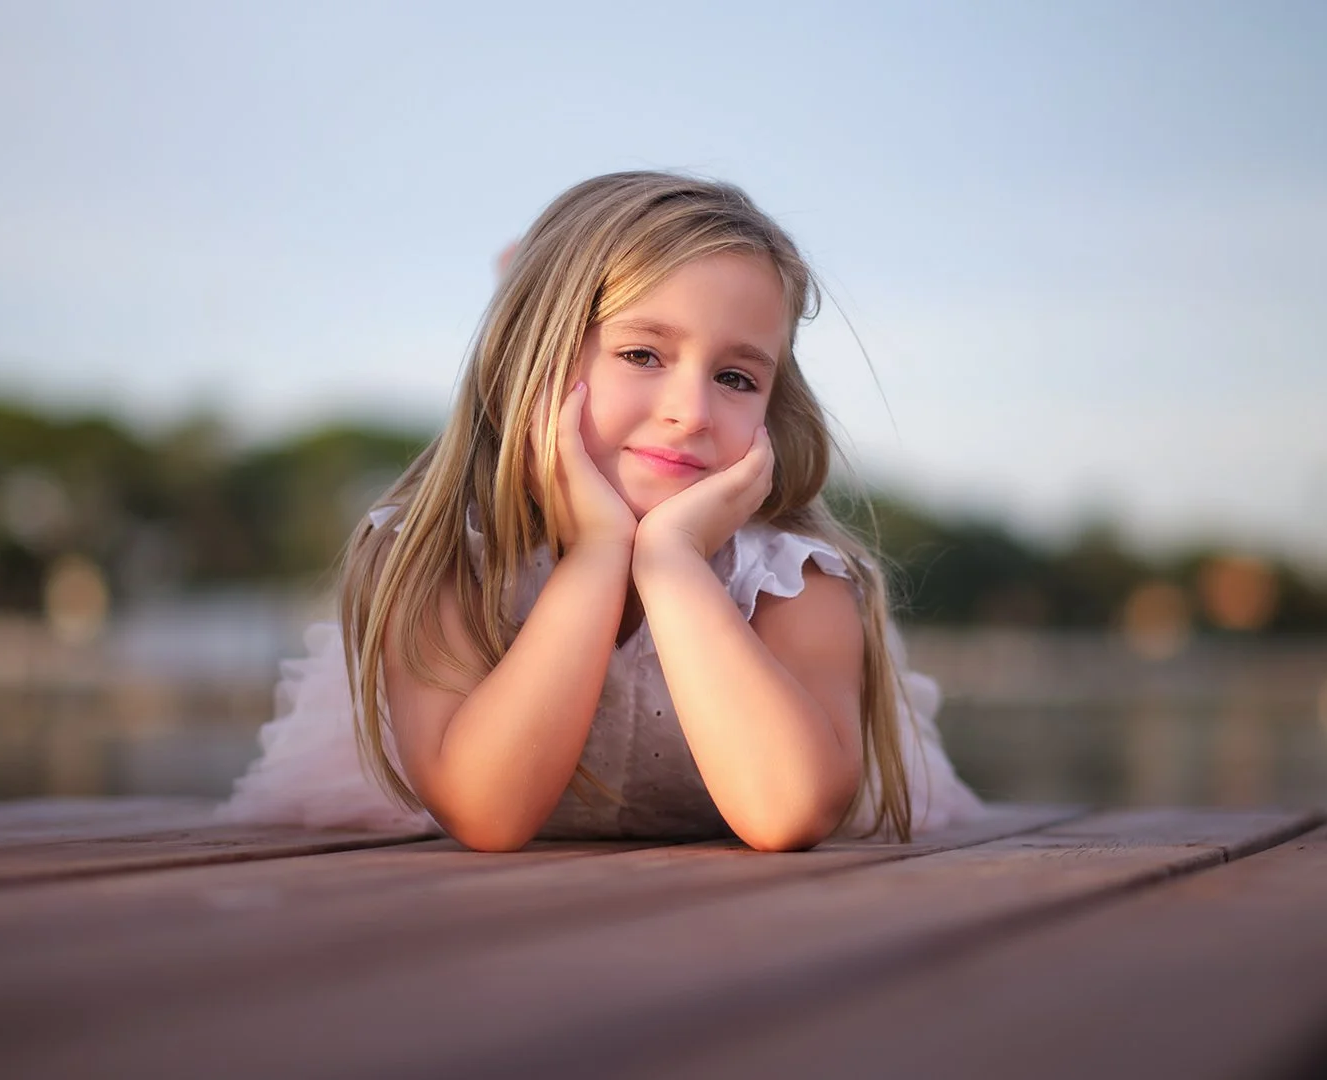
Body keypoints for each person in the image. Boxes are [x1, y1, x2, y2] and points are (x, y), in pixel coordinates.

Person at [220, 171, 981, 850]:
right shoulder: (445, 555)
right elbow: (488, 814)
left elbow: (787, 813)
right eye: (642, 355)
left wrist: (674, 563)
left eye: (736, 378)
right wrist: (594, 555)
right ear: (533, 359)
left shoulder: (793, 581)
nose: (691, 411)